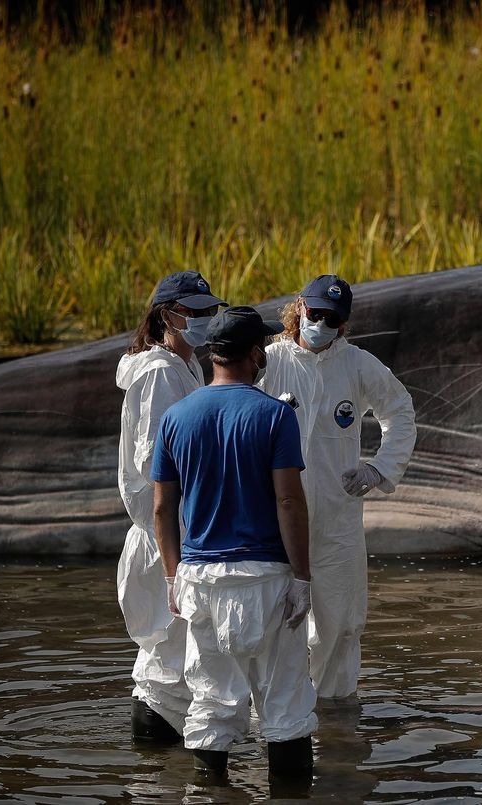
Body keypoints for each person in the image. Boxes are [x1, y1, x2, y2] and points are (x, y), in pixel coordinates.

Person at [151, 306, 318, 776]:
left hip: (200, 578)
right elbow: (289, 502)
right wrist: (302, 578)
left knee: (211, 703)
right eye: (261, 346)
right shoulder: (275, 416)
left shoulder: (176, 418)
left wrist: (171, 576)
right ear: (253, 354)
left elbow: (162, 509)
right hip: (265, 576)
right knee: (285, 707)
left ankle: (209, 790)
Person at [259, 274, 416, 699]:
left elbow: (400, 411)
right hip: (275, 519)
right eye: (316, 313)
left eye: (333, 319)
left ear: (344, 324)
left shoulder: (358, 364)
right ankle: (274, 724)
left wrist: (379, 469)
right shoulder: (269, 362)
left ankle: (335, 726)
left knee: (342, 624)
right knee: (275, 622)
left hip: (338, 520)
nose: (322, 324)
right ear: (299, 308)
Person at [115, 270, 224, 742]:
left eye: (209, 312)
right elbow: (154, 459)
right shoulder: (160, 372)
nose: (203, 321)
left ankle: (160, 767)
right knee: (167, 650)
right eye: (193, 313)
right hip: (164, 531)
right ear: (167, 315)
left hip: (181, 524)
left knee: (176, 648)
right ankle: (154, 757)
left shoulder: (189, 366)